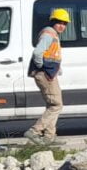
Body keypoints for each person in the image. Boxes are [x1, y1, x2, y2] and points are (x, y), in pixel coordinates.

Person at [27, 7, 69, 142]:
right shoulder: (49, 34)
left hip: (50, 73)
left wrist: (57, 68)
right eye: (59, 22)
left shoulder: (52, 34)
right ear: (53, 22)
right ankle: (35, 130)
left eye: (64, 23)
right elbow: (37, 53)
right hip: (45, 74)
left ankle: (49, 137)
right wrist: (42, 67)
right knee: (56, 105)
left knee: (52, 105)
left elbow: (51, 54)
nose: (62, 26)